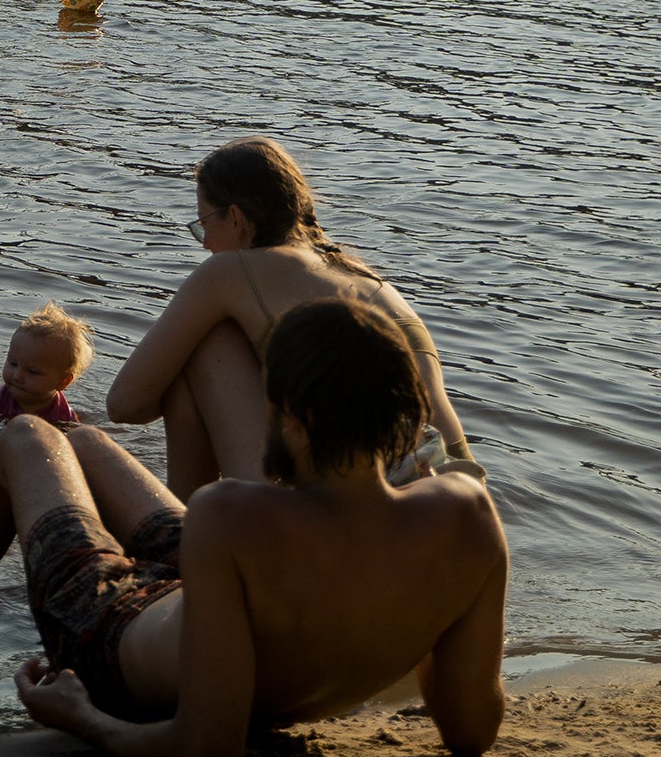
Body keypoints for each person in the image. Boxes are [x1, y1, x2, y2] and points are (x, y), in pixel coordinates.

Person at [0, 296, 508, 757]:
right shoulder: (467, 514)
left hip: (109, 639)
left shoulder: (233, 513)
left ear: (291, 419)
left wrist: (83, 718)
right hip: (232, 612)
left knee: (29, 434)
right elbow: (470, 731)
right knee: (81, 442)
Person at [104, 138, 474, 494]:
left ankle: (186, 532)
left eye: (203, 224)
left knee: (200, 343)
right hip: (457, 497)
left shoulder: (229, 270)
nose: (204, 244)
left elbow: (125, 404)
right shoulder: (361, 276)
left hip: (370, 504)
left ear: (235, 217)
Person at [0, 303, 91, 427]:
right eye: (13, 364)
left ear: (63, 381)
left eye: (32, 371)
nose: (17, 376)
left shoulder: (63, 415)